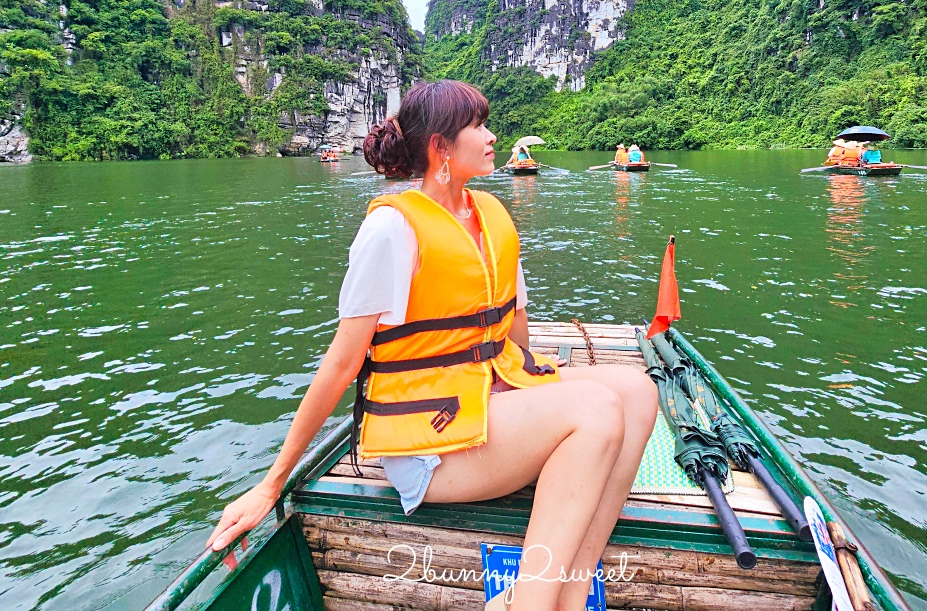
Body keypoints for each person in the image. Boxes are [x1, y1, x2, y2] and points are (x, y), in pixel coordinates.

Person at [207, 80, 657, 611]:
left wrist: (533, 374)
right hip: (428, 444)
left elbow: (514, 316)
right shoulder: (392, 229)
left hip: (487, 396)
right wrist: (271, 483)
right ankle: (534, 603)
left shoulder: (489, 213)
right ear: (440, 147)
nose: (493, 137)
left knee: (635, 390)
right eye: (478, 127)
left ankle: (570, 588)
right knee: (597, 408)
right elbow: (342, 362)